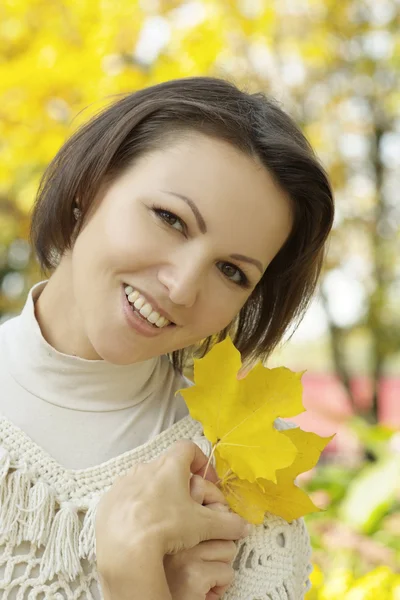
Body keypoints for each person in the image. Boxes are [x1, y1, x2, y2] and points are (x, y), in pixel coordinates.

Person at [0, 76, 334, 600]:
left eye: (231, 271)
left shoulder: (239, 483)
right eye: (170, 219)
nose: (181, 288)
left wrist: (137, 583)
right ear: (91, 184)